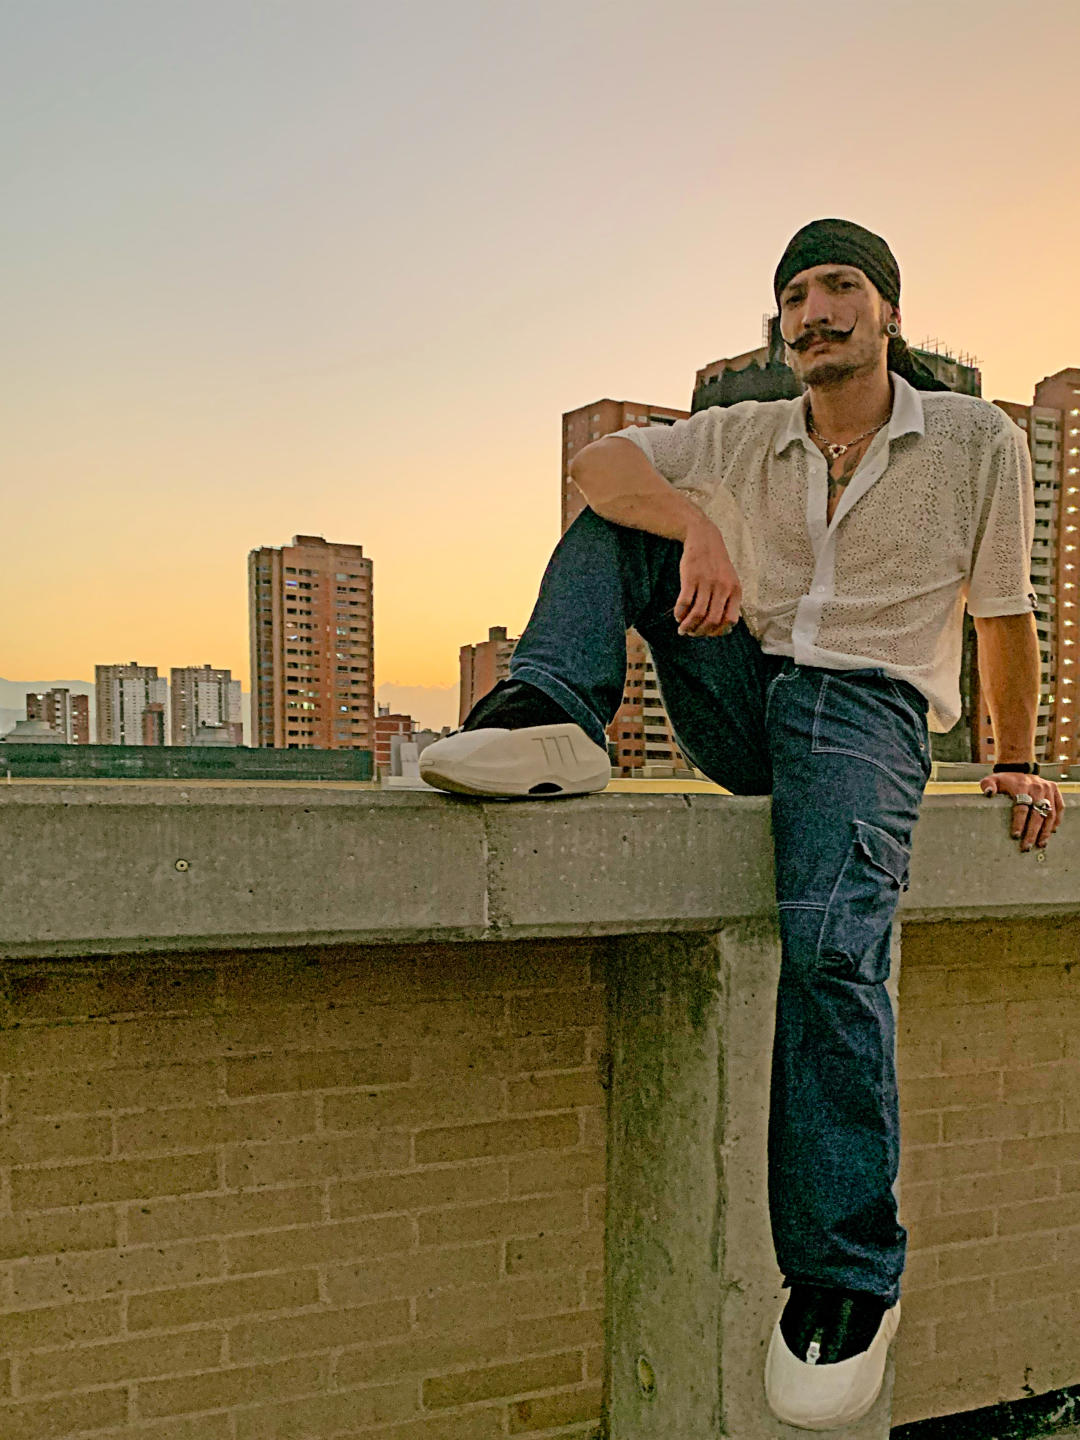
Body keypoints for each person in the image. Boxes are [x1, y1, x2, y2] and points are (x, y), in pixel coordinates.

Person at [419, 217, 1065, 1430]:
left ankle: (843, 1278)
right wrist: (697, 526)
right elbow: (599, 464)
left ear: (887, 310)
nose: (815, 312)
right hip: (746, 690)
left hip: (865, 708)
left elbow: (1002, 615)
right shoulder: (750, 433)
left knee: (832, 950)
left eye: (840, 287)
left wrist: (1019, 761)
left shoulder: (973, 438)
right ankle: (550, 713)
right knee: (623, 518)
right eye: (796, 296)